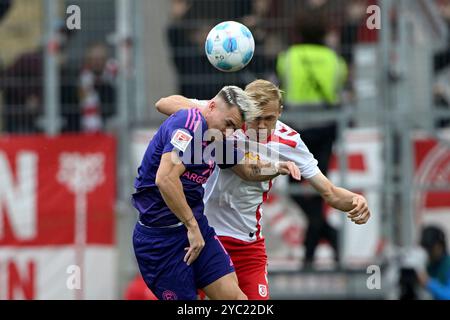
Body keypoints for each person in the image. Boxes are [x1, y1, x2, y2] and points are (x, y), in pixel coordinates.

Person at [155, 79, 371, 300]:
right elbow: (164, 103)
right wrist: (204, 114)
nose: (261, 126)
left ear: (280, 112)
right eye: (256, 118)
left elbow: (331, 193)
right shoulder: (227, 120)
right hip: (207, 236)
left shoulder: (290, 142)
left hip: (247, 245)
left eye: (270, 119)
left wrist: (355, 200)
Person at [133, 85, 299, 300]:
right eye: (228, 124)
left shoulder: (216, 137)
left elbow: (247, 169)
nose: (229, 132)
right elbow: (165, 179)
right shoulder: (187, 125)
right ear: (211, 107)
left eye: (235, 129)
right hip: (160, 240)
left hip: (197, 230)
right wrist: (191, 226)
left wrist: (277, 167)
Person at [276, 11, 348, 268]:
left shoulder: (287, 58)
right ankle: (327, 237)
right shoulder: (335, 60)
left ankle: (310, 254)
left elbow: (281, 86)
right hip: (326, 128)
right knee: (320, 188)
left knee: (292, 188)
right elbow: (340, 90)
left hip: (295, 131)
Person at [417, 225, 450, 300]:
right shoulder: (427, 265)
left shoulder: (447, 265)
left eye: (430, 249)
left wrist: (429, 283)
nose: (428, 253)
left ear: (440, 246)